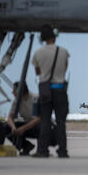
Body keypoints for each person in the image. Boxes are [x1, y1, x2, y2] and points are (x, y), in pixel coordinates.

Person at [31, 25, 70, 158]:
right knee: (60, 122)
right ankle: (63, 151)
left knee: (45, 121)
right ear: (54, 37)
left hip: (45, 91)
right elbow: (65, 68)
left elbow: (37, 71)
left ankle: (42, 151)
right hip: (60, 90)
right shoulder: (63, 51)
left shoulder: (38, 52)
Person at [4, 82, 41, 156]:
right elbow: (10, 118)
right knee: (5, 127)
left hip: (38, 125)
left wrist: (23, 128)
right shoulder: (16, 101)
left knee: (42, 127)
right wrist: (13, 127)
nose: (12, 92)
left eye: (14, 90)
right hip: (27, 124)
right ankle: (26, 146)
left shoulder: (35, 98)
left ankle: (41, 150)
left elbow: (39, 119)